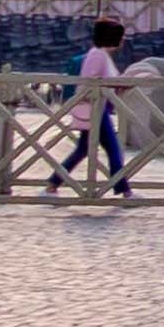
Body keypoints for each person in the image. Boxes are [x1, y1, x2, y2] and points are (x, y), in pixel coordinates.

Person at [47, 19, 135, 197]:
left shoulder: (100, 54)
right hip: (95, 110)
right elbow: (90, 84)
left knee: (86, 150)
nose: (123, 39)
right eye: (121, 36)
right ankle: (124, 190)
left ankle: (54, 183)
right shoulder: (98, 55)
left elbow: (105, 82)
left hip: (99, 108)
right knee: (111, 149)